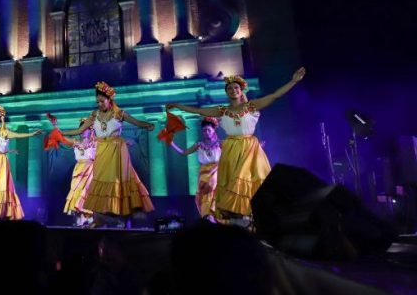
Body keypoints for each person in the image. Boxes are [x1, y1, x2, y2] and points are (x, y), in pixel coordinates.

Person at [166, 67, 305, 226]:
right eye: (230, 88)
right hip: (231, 149)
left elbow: (275, 95)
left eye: (236, 88)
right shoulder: (223, 110)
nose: (233, 90)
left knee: (249, 180)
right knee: (234, 183)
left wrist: (293, 81)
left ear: (241, 90)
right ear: (227, 92)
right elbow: (198, 110)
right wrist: (178, 105)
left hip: (249, 148)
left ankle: (255, 216)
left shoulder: (251, 107)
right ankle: (241, 217)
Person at [54, 82, 154, 227]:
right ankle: (99, 219)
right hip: (101, 151)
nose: (99, 104)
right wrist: (61, 133)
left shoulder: (119, 113)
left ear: (109, 99)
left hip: (116, 151)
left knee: (117, 183)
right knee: (99, 183)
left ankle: (122, 217)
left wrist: (147, 125)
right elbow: (79, 131)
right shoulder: (94, 116)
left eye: (102, 101)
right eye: (97, 102)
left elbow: (136, 122)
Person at [168, 117, 221, 220]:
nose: (206, 132)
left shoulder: (220, 143)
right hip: (203, 174)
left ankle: (213, 215)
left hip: (216, 171)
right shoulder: (199, 145)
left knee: (212, 190)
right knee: (203, 195)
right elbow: (183, 152)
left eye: (208, 130)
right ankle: (207, 216)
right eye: (204, 130)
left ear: (213, 130)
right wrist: (172, 143)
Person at [62, 119, 96, 227]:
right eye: (81, 129)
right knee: (77, 192)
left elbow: (110, 142)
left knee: (87, 193)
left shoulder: (95, 142)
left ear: (90, 129)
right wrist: (56, 127)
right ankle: (82, 216)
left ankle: (89, 216)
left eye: (85, 129)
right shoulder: (76, 142)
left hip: (90, 169)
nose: (83, 131)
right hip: (78, 170)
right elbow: (61, 137)